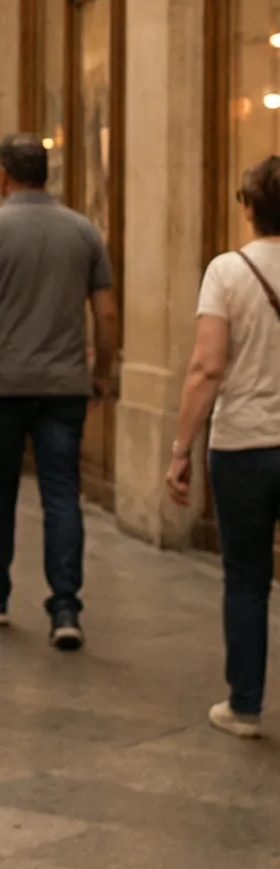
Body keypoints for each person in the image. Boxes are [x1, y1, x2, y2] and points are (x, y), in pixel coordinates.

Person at [0, 132, 116, 650]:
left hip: (2, 382)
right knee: (62, 494)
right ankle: (65, 607)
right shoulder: (83, 231)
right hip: (64, 382)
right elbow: (107, 312)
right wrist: (103, 370)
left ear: (4, 174)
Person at [165, 153, 280, 738]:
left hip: (244, 445)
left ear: (248, 207)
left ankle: (245, 704)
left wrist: (182, 447)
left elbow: (206, 367)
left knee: (246, 577)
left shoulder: (228, 271)